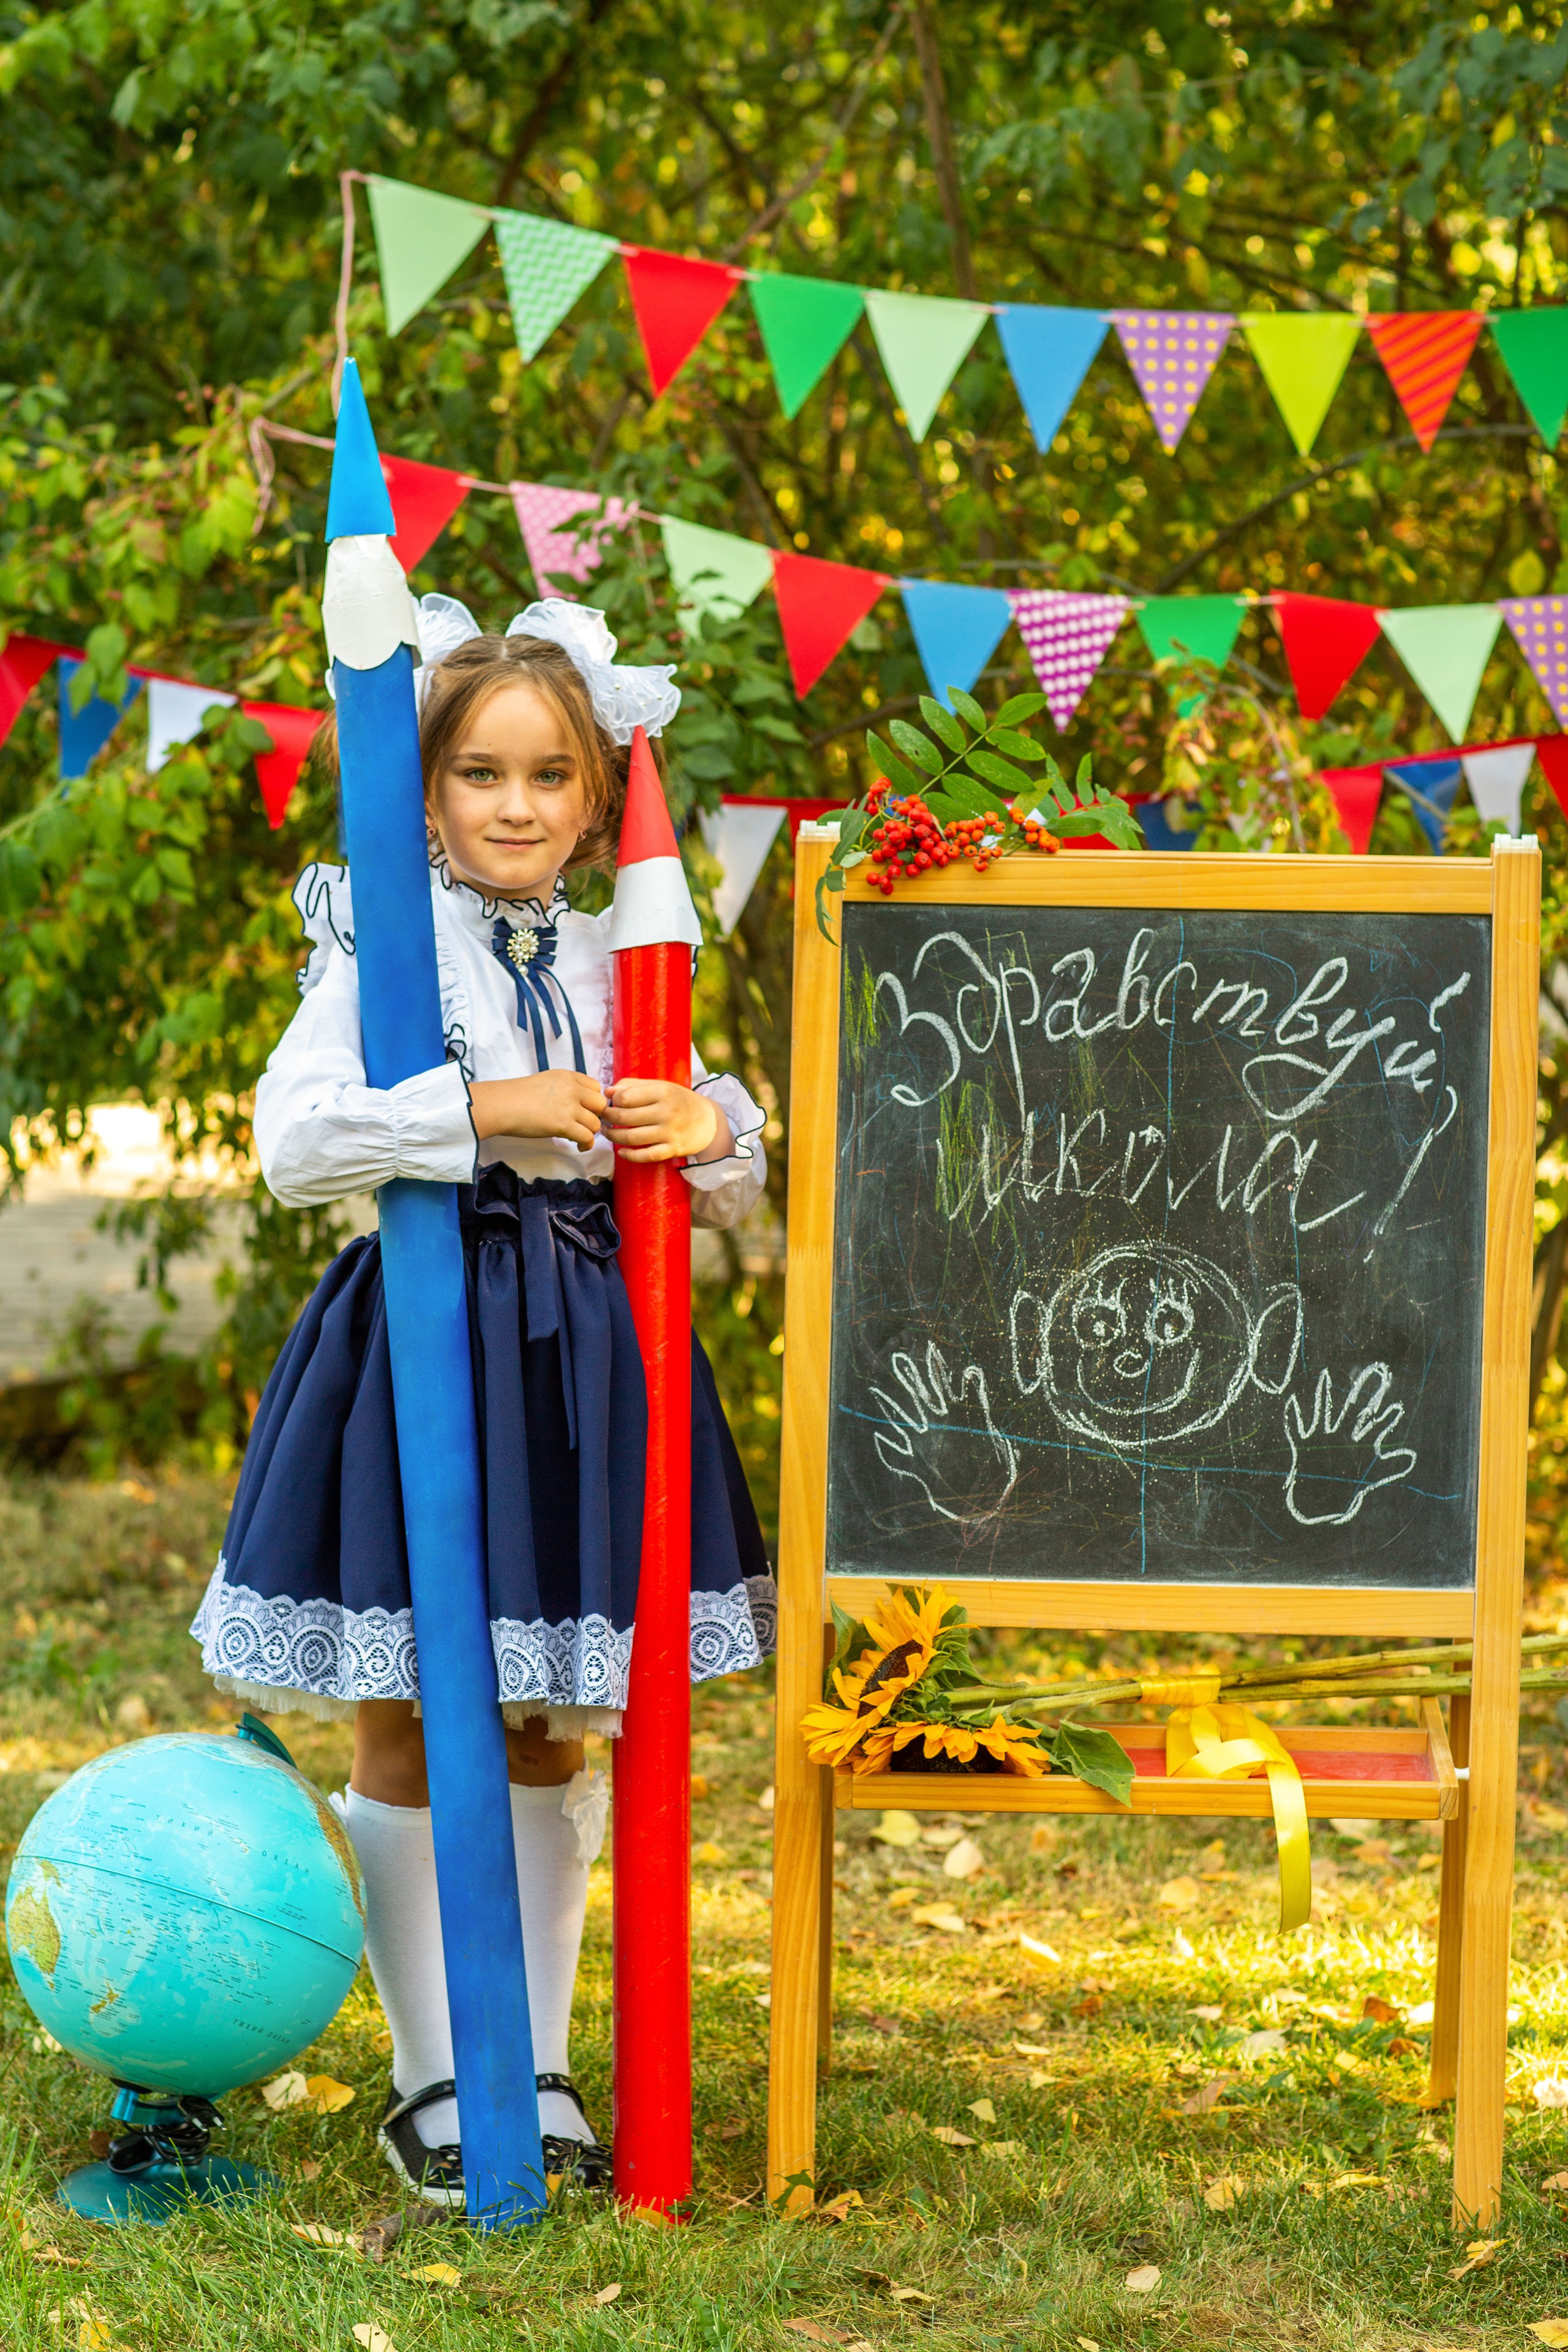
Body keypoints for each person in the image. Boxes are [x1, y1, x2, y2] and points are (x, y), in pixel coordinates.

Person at [192, 596, 774, 2205]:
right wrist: (480, 1107)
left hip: (586, 1362)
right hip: (427, 1350)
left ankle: (538, 2061)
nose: (514, 806)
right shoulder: (386, 932)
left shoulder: (622, 944)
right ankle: (438, 2068)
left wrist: (697, 1131)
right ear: (425, 793)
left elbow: (730, 1168)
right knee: (416, 1709)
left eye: (547, 776)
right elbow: (299, 1141)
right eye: (477, 775)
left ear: (596, 798)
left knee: (543, 1723)